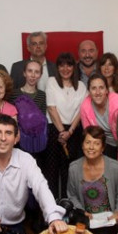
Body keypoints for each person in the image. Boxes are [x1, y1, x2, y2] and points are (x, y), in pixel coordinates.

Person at [67, 126, 118, 234]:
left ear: (103, 148)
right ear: (82, 145)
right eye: (88, 142)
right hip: (86, 220)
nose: (91, 147)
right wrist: (82, 212)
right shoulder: (74, 168)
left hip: (108, 221)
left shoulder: (114, 167)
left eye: (96, 143)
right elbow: (71, 195)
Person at [45, 53, 88, 198]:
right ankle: (51, 209)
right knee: (52, 171)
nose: (65, 68)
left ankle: (67, 206)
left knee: (69, 171)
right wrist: (62, 131)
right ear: (57, 68)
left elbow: (81, 111)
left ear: (73, 67)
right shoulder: (51, 81)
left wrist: (69, 132)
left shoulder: (81, 86)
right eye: (61, 65)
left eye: (69, 65)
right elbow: (51, 108)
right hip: (54, 130)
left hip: (73, 132)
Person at [79, 74, 118, 159]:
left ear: (107, 90)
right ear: (89, 91)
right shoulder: (85, 107)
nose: (98, 92)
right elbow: (90, 135)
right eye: (93, 88)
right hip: (101, 144)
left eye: (101, 88)